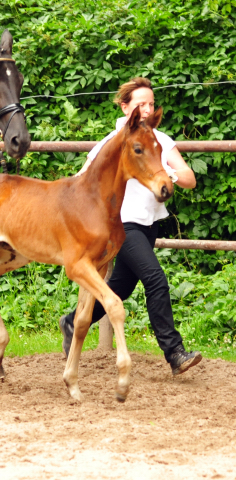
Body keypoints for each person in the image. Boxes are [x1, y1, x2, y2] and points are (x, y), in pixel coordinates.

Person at [59, 77, 202, 376]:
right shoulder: (111, 144)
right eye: (141, 104)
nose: (147, 109)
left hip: (149, 226)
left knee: (121, 287)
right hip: (122, 226)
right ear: (125, 107)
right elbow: (81, 183)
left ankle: (72, 321)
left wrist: (164, 173)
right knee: (155, 279)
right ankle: (174, 352)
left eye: (151, 103)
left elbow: (189, 179)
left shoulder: (159, 141)